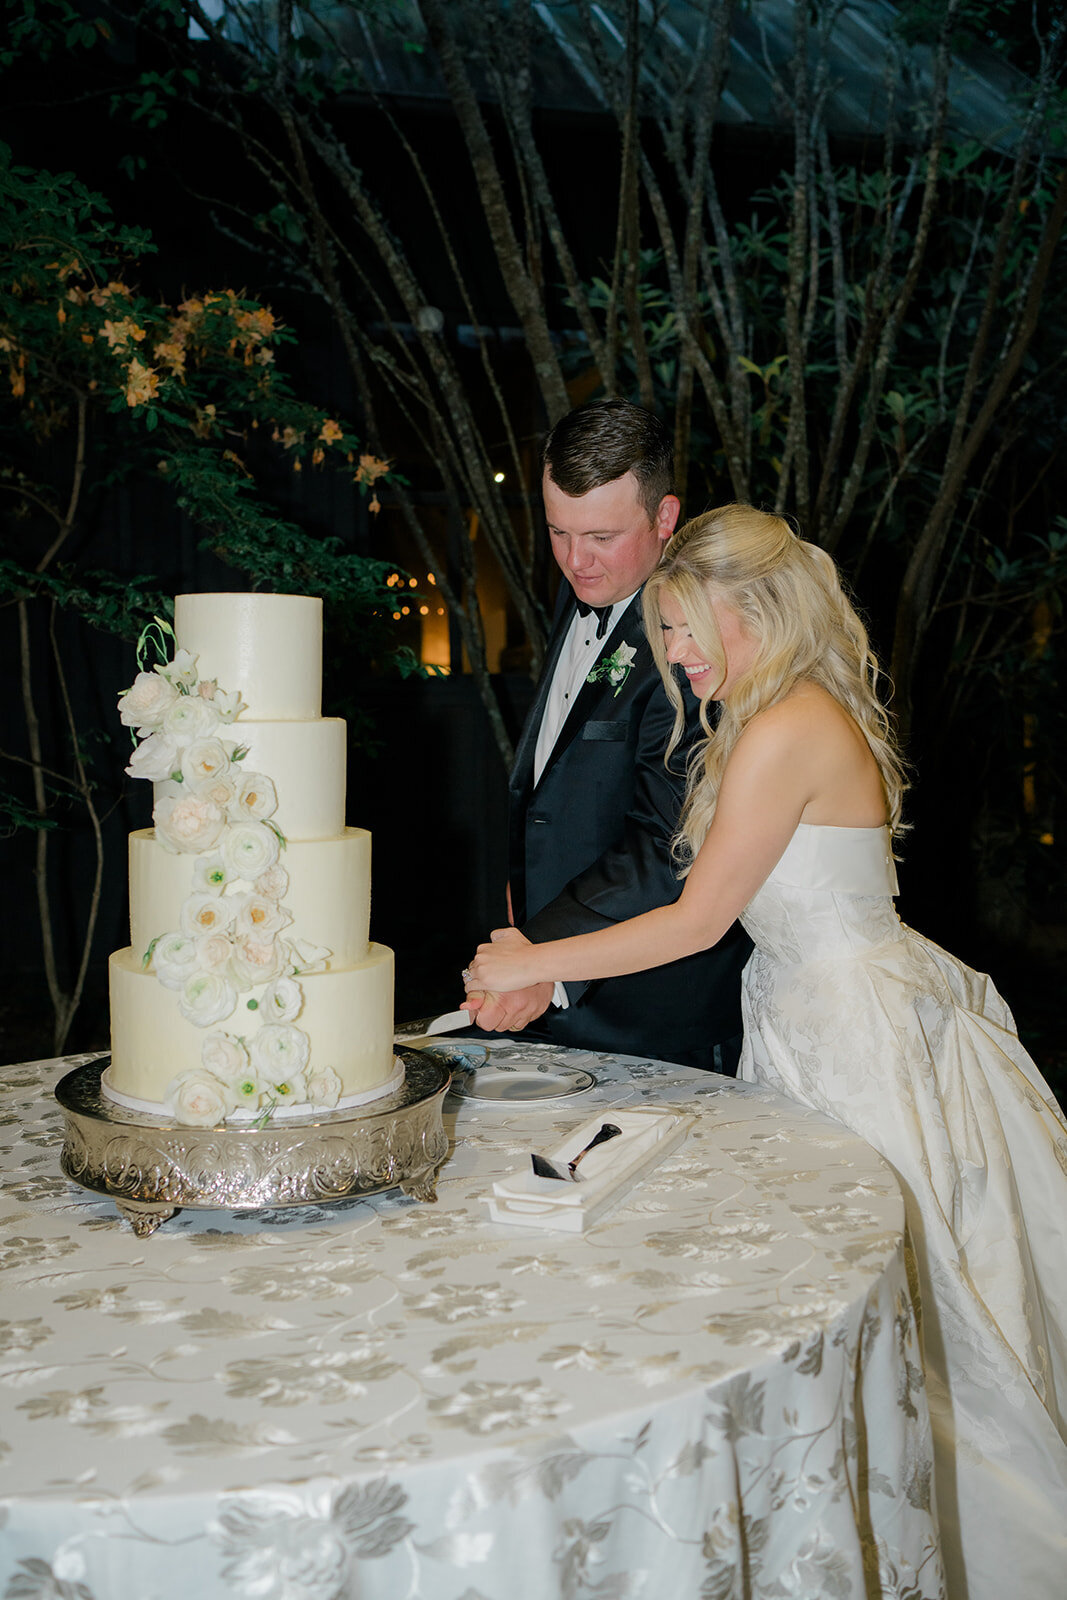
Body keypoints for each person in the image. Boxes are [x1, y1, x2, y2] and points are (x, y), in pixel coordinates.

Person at [465, 503, 1067, 1600]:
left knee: (906, 1320)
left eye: (686, 628)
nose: (674, 654)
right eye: (664, 635)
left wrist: (530, 963)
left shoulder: (785, 723)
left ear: (751, 607)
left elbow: (697, 917)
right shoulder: (765, 711)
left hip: (855, 1036)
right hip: (802, 1013)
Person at [465, 398, 751, 1073]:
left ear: (664, 518)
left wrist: (543, 963)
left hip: (649, 1017)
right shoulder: (588, 588)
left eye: (600, 537)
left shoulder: (698, 647)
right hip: (559, 998)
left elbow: (668, 843)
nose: (575, 561)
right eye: (558, 532)